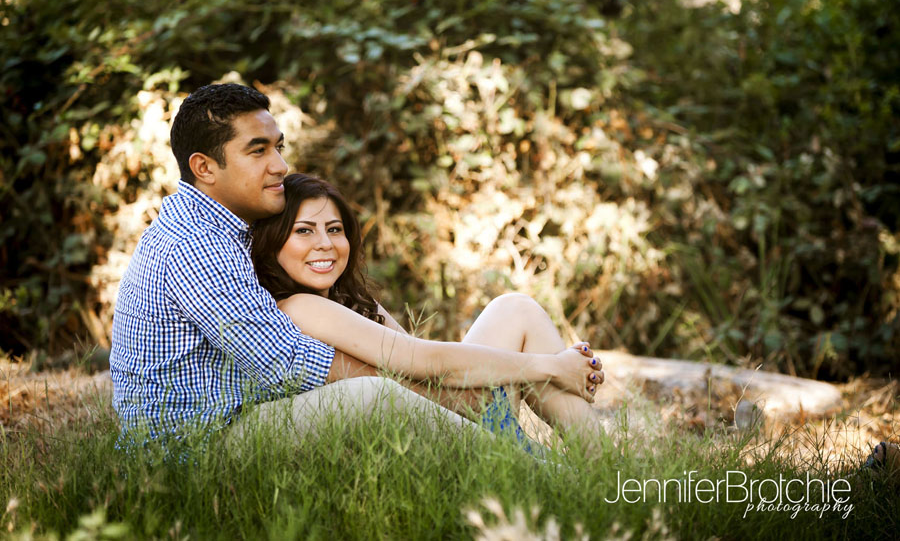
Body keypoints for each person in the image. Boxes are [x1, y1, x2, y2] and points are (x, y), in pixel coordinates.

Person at [110, 83, 601, 447]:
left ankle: (608, 472)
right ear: (204, 167)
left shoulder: (222, 233)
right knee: (372, 396)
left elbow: (408, 353)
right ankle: (525, 472)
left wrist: (466, 381)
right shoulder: (197, 245)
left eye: (277, 146)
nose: (279, 165)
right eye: (257, 151)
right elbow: (291, 366)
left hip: (243, 422)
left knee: (513, 309)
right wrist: (471, 384)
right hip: (197, 450)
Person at [250, 172, 611, 450]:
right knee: (527, 332)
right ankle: (606, 466)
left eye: (334, 229)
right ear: (274, 242)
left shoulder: (353, 303)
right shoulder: (299, 307)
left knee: (516, 308)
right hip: (436, 439)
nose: (325, 244)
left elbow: (427, 378)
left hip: (456, 413)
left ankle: (605, 462)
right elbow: (424, 359)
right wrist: (553, 367)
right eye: (304, 231)